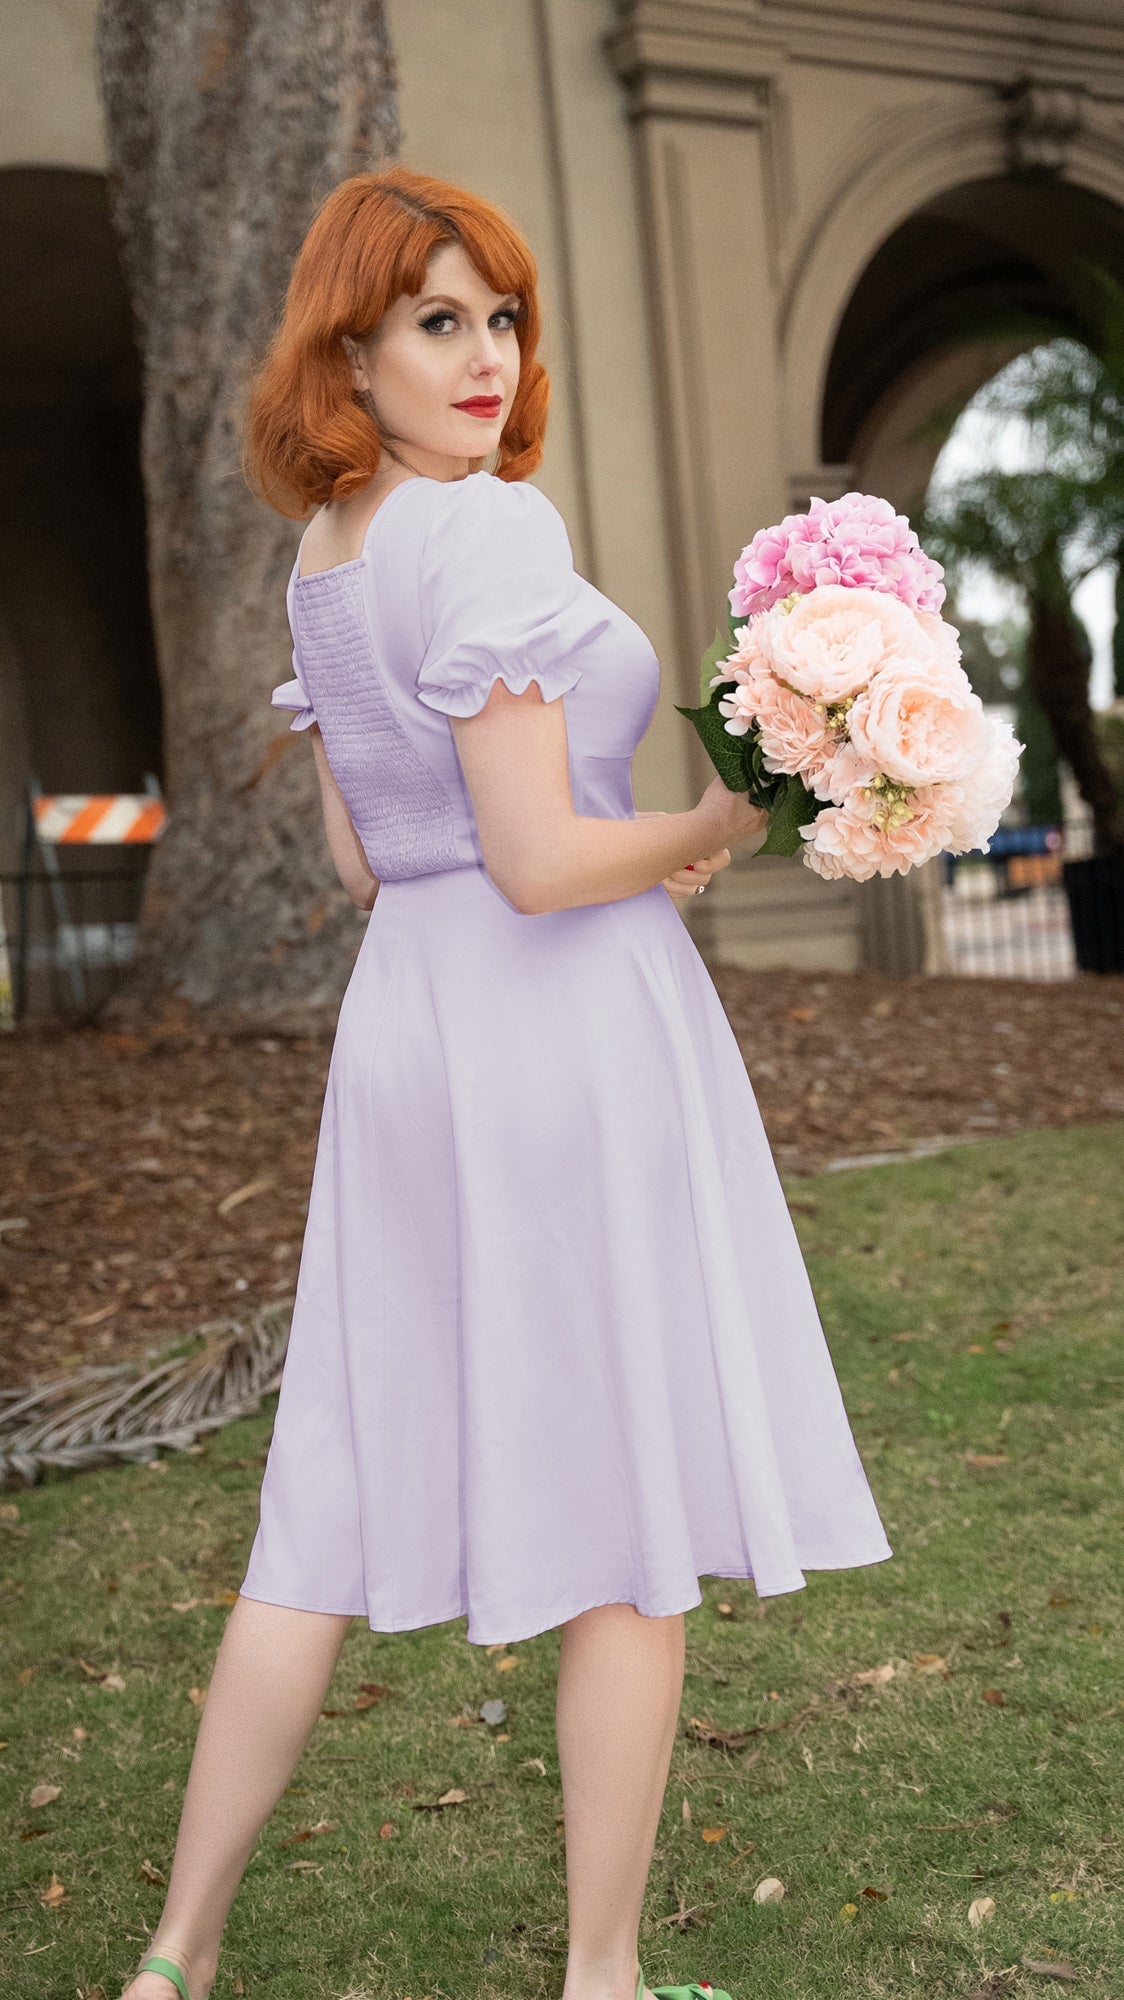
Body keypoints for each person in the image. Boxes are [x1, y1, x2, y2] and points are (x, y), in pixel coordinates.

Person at [121, 163, 892, 2000]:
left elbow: (375, 865)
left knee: (320, 1505)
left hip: (409, 1033)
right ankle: (604, 1979)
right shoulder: (488, 537)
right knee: (630, 1510)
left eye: (501, 317)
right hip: (554, 1027)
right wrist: (710, 818)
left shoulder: (330, 556)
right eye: (435, 321)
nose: (483, 357)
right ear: (352, 346)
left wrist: (635, 836)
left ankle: (173, 1962)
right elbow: (544, 861)